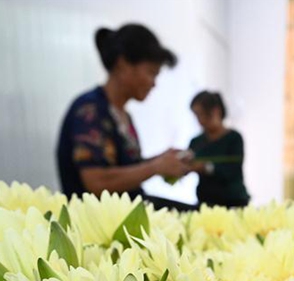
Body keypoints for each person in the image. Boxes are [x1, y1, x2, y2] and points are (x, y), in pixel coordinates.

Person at [56, 24, 193, 208]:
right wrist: (155, 167)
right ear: (122, 65)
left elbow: (125, 167)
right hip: (100, 221)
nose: (154, 84)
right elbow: (97, 183)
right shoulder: (89, 111)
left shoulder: (122, 115)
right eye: (151, 73)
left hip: (128, 211)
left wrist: (162, 160)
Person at [185, 91, 250, 207]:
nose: (199, 120)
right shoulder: (196, 142)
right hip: (205, 203)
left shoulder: (234, 138)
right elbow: (186, 166)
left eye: (201, 115)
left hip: (233, 202)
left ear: (216, 111)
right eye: (196, 116)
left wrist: (206, 167)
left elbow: (233, 170)